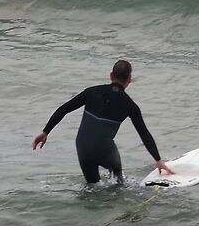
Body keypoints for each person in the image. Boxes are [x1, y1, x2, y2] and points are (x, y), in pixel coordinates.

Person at [34, 58, 170, 185]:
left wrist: (45, 132)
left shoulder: (91, 92)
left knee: (92, 188)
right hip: (104, 148)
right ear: (129, 79)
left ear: (111, 76)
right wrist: (158, 160)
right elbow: (144, 134)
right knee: (118, 185)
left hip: (83, 145)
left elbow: (64, 109)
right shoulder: (130, 105)